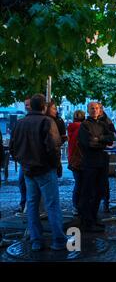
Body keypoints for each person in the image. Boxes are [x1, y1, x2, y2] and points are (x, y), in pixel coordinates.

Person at [9, 94, 66, 251]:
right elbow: (53, 147)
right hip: (45, 169)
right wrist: (56, 166)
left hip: (28, 170)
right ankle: (59, 240)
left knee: (32, 205)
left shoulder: (20, 123)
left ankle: (36, 240)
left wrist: (23, 162)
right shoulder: (47, 122)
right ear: (43, 107)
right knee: (52, 205)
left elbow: (13, 149)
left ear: (30, 106)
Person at [77, 102, 115, 232]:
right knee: (88, 192)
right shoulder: (85, 125)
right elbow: (88, 143)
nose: (94, 110)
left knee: (100, 191)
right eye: (92, 108)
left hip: (102, 162)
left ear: (100, 111)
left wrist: (98, 139)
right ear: (88, 110)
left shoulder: (103, 124)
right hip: (89, 163)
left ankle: (94, 218)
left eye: (97, 108)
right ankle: (86, 221)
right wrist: (101, 142)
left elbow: (111, 138)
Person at [98, 104, 116, 213]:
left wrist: (101, 138)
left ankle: (106, 202)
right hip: (93, 155)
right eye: (95, 108)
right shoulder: (89, 122)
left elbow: (113, 135)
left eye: (99, 108)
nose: (97, 110)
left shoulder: (108, 121)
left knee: (104, 180)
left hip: (104, 153)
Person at [67, 110, 85, 216]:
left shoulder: (71, 128)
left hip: (73, 159)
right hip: (81, 159)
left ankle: (76, 206)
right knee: (82, 184)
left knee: (78, 184)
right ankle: (79, 205)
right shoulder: (82, 128)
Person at [17, 96, 31, 213]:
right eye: (26, 105)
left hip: (33, 160)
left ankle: (27, 205)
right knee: (22, 182)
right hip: (24, 159)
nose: (27, 107)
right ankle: (23, 203)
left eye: (29, 104)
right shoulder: (21, 121)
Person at [46, 100, 67, 178]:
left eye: (55, 108)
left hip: (53, 155)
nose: (56, 110)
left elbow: (63, 136)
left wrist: (60, 141)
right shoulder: (43, 120)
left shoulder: (59, 120)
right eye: (54, 108)